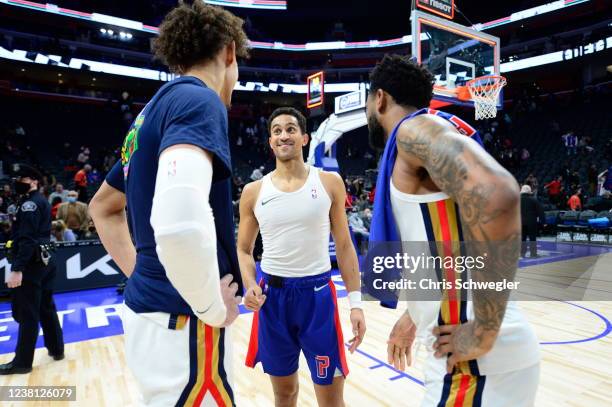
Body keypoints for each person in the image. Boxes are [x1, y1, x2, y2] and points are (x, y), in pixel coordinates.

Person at [88, 3, 249, 405]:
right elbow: (177, 224)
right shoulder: (200, 101)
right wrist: (211, 306)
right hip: (187, 326)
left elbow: (103, 208)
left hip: (152, 315)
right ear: (229, 51)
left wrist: (147, 273)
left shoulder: (150, 113)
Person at [364, 55, 539, 406]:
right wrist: (413, 315)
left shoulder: (413, 132)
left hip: (471, 366)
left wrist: (482, 333)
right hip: (484, 360)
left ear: (379, 98)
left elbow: (499, 193)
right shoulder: (427, 138)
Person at [239, 107, 365, 407]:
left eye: (291, 129)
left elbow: (345, 246)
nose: (284, 135)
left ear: (304, 138)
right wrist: (249, 284)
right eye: (277, 131)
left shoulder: (329, 182)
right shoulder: (253, 191)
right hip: (273, 299)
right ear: (270, 141)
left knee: (331, 399)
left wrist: (356, 305)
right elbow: (244, 250)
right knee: (284, 394)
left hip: (318, 297)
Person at [1, 164, 64, 374]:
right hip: (45, 259)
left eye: (23, 179)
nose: (18, 182)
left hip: (31, 263)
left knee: (28, 313)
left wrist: (17, 268)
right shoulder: (40, 201)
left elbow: (27, 240)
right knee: (46, 307)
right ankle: (57, 349)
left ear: (34, 182)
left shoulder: (29, 205)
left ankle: (22, 363)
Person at [520, 185, 544, 258]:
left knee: (522, 238)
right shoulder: (533, 200)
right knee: (532, 238)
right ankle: (533, 254)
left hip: (521, 222)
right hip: (531, 222)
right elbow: (540, 211)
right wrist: (543, 221)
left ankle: (522, 253)